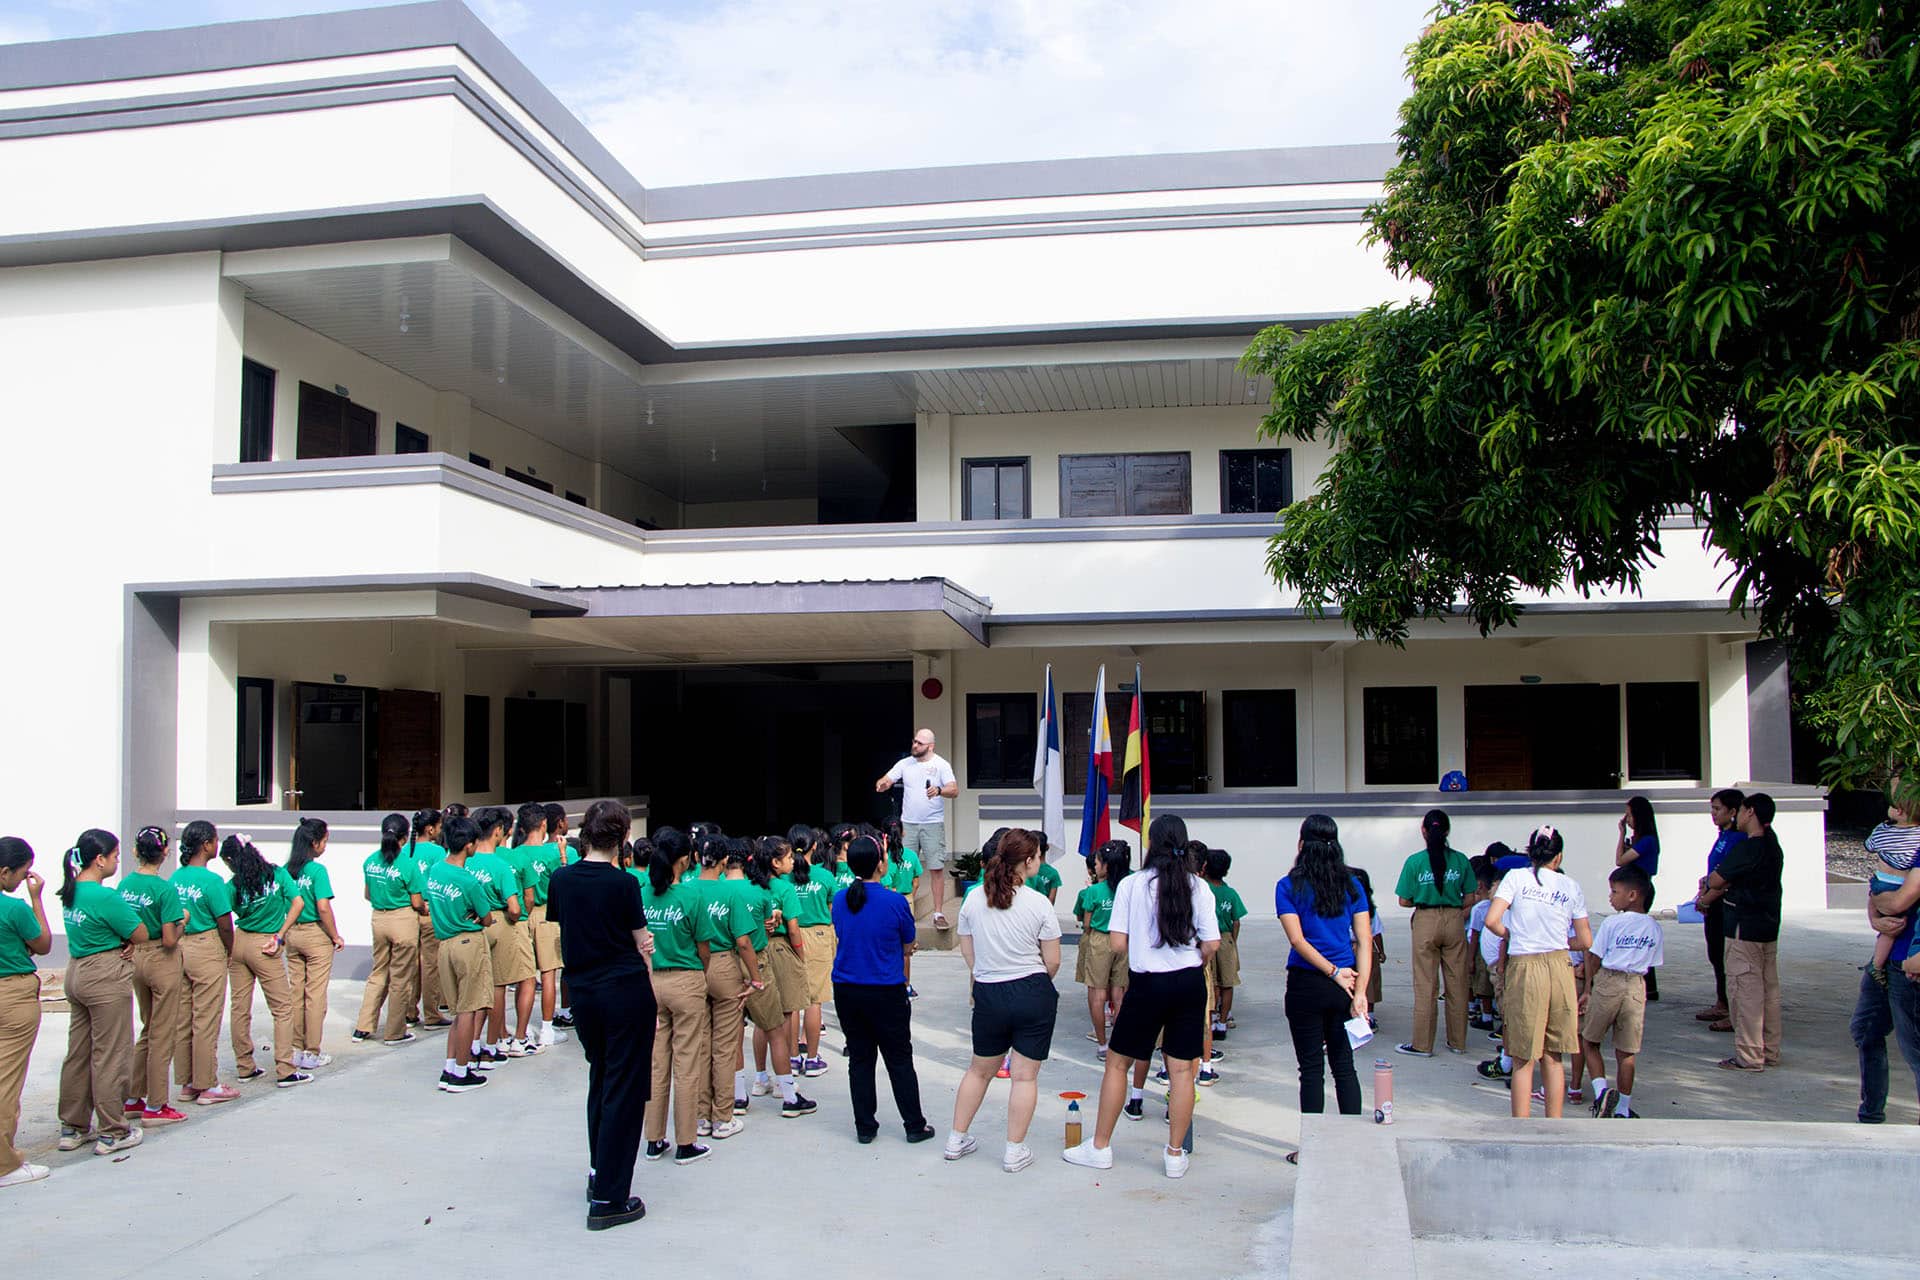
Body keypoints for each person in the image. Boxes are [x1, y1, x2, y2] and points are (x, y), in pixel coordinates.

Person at [1065, 814, 1219, 1180]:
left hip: (1147, 984)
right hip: (1188, 982)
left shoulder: (1133, 885)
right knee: (1182, 1070)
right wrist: (1192, 954)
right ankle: (1175, 1154)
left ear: (1151, 844)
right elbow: (1211, 943)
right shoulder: (1198, 887)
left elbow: (1117, 942)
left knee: (1118, 1063)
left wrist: (1146, 948)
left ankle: (1100, 1146)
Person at [548, 800, 657, 1231]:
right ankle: (611, 1196)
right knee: (625, 1091)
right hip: (625, 992)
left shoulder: (562, 879)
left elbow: (569, 927)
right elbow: (640, 939)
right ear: (622, 837)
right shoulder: (624, 884)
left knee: (601, 1077)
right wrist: (643, 949)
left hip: (585, 993)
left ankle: (599, 1173)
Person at [946, 829, 1062, 1172]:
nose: (1041, 861)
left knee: (979, 1070)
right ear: (1027, 861)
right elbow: (1052, 961)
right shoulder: (1038, 902)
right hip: (1031, 989)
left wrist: (986, 973)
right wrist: (1035, 983)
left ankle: (956, 1138)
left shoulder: (973, 898)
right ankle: (1014, 1150)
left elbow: (967, 948)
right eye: (1038, 855)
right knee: (1024, 1076)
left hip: (988, 990)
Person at [831, 834, 934, 1144]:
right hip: (886, 990)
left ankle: (865, 1126)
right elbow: (908, 941)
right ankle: (914, 1125)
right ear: (881, 864)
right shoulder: (894, 901)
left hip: (847, 988)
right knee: (899, 1059)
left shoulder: (840, 899)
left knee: (860, 1059)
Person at [1482, 826, 1592, 1118]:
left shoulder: (1516, 878)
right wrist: (1562, 941)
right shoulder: (1571, 885)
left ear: (1530, 853)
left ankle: (1521, 1127)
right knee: (1553, 1057)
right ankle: (1553, 1126)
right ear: (1558, 857)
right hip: (1559, 965)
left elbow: (1492, 920)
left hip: (1525, 964)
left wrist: (1513, 934)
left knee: (1523, 1057)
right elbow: (1586, 941)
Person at [1274, 815, 1372, 1138]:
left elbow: (1298, 940)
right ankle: (1353, 1141)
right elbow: (1364, 940)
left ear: (1302, 845)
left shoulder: (1288, 886)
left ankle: (1314, 1147)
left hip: (1308, 983)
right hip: (1347, 984)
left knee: (1312, 1070)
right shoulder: (1353, 884)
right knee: (1344, 1067)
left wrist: (1331, 973)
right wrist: (1360, 991)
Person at [57, 830, 149, 1155]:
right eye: (114, 856)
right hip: (104, 976)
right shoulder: (104, 896)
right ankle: (113, 1130)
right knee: (110, 1054)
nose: (116, 861)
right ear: (99, 860)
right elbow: (139, 932)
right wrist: (124, 941)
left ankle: (73, 1127)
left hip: (77, 972)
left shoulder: (71, 892)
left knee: (78, 1052)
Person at [637, 828, 710, 1165]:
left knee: (656, 1063)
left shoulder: (642, 894)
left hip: (651, 981)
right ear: (684, 860)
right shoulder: (692, 897)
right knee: (687, 1063)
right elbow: (703, 948)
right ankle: (685, 1141)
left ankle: (653, 1138)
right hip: (686, 980)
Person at [1696, 793, 1784, 1072]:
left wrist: (1711, 884)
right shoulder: (1773, 844)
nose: (1739, 816)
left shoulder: (1749, 847)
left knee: (1745, 992)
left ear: (1750, 812)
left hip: (1743, 928)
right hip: (1768, 926)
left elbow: (1717, 879)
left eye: (1743, 810)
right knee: (1769, 990)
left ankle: (1749, 1055)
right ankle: (1769, 1050)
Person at [221, 834, 309, 1089]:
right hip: (266, 945)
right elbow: (298, 902)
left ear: (230, 860)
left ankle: (245, 1067)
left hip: (240, 943)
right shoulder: (277, 875)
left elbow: (224, 915)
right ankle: (285, 1069)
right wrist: (280, 936)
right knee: (282, 1009)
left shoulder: (233, 886)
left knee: (240, 1008)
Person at [119, 825, 188, 1128]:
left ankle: (134, 1097)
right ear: (165, 853)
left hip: (135, 957)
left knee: (148, 1027)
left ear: (135, 851)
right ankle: (157, 1104)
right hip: (161, 958)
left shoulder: (124, 886)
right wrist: (183, 920)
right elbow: (171, 939)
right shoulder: (164, 889)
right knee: (163, 1033)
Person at [1581, 865, 1662, 1119]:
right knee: (1627, 1051)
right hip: (1636, 985)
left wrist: (1587, 989)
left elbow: (1594, 959)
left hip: (1609, 982)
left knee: (1590, 1040)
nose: (1610, 897)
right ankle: (1624, 1109)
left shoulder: (1612, 923)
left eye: (1614, 891)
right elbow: (1651, 963)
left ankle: (1601, 1093)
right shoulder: (1653, 927)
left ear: (1632, 895)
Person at [422, 815, 495, 1093]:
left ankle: (450, 1066)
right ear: (469, 845)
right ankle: (462, 1072)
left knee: (457, 1012)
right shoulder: (468, 880)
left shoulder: (436, 870)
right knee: (468, 1011)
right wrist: (477, 918)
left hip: (444, 945)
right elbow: (487, 918)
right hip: (468, 944)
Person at [1394, 808, 1475, 1057]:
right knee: (1457, 984)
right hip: (1454, 919)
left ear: (1424, 831)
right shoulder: (1461, 860)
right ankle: (1458, 1042)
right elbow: (1471, 897)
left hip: (1425, 919)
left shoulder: (1415, 861)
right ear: (1448, 831)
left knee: (1426, 984)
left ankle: (1422, 1044)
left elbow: (1404, 901)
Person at [744, 838, 815, 1118]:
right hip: (781, 949)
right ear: (775, 863)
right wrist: (800, 956)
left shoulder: (751, 888)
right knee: (784, 1017)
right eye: (787, 858)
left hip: (756, 950)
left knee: (763, 1019)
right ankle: (784, 1082)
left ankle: (761, 1076)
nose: (792, 862)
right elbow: (794, 929)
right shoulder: (785, 889)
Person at [691, 831, 755, 1140]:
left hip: (693, 967)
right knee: (725, 1046)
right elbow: (743, 941)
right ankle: (723, 1116)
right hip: (724, 965)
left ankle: (701, 1116)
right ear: (725, 860)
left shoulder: (687, 890)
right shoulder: (730, 894)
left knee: (700, 1045)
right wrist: (754, 977)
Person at [169, 820, 238, 1107]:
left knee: (183, 1017)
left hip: (180, 946)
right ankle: (207, 1084)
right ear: (207, 844)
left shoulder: (175, 877)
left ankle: (187, 1082)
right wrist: (229, 950)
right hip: (206, 946)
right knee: (206, 1018)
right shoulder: (212, 882)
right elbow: (224, 922)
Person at [0, 838, 52, 1187]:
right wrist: (36, 899)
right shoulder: (14, 907)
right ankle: (5, 1164)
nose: (22, 880)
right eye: (20, 874)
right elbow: (44, 944)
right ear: (5, 872)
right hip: (12, 994)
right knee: (6, 1083)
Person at [468, 807, 537, 1063]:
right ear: (498, 831)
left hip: (475, 925)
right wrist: (515, 917)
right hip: (505, 922)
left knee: (482, 987)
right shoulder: (503, 864)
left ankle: (479, 1043)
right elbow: (519, 905)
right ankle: (503, 1040)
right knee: (506, 984)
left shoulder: (466, 860)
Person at [352, 813, 426, 1046]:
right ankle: (395, 1031)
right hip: (403, 920)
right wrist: (426, 910)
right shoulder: (408, 864)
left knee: (378, 972)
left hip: (379, 920)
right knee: (401, 978)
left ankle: (363, 1026)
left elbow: (367, 894)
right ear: (405, 838)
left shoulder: (371, 861)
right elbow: (416, 902)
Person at [875, 729, 958, 927]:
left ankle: (938, 913)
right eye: (914, 741)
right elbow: (887, 778)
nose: (915, 745)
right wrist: (883, 784)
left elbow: (954, 790)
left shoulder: (941, 764)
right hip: (908, 824)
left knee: (936, 868)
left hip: (932, 824)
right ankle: (903, 909)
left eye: (919, 743)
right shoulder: (905, 763)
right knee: (902, 866)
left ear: (930, 746)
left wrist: (939, 790)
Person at [284, 817, 344, 1072]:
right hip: (315, 934)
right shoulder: (317, 871)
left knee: (296, 993)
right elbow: (323, 907)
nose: (325, 846)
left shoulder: (286, 870)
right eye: (325, 841)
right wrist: (335, 935)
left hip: (292, 935)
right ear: (314, 842)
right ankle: (312, 1051)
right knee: (315, 995)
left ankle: (295, 1048)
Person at [1074, 840, 1130, 1058]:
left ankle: (1102, 1043)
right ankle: (1119, 1041)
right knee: (1119, 993)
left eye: (1097, 863)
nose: (1094, 866)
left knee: (1097, 993)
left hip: (1099, 940)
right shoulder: (1128, 887)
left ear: (1106, 865)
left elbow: (1087, 923)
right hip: (1124, 940)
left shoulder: (1094, 891)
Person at [1695, 790, 1746, 1026]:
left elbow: (1728, 876)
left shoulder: (1737, 839)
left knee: (1725, 956)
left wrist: (1707, 898)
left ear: (1733, 812)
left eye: (1718, 809)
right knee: (1715, 955)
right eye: (1712, 808)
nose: (1713, 813)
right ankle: (1721, 1002)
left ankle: (1730, 1008)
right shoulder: (1723, 836)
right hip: (1711, 901)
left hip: (1723, 904)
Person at [790, 824, 836, 1077]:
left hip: (790, 936)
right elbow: (832, 910)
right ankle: (812, 1057)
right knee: (814, 999)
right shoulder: (826, 877)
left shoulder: (784, 878)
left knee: (792, 1001)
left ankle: (793, 1057)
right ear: (815, 846)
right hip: (818, 936)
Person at [530, 802, 571, 1047]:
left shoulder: (521, 852)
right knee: (551, 972)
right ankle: (549, 1025)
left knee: (527, 977)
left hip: (528, 915)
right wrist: (564, 855)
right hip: (550, 914)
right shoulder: (562, 852)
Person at [406, 808, 451, 1028]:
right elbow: (439, 884)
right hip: (429, 912)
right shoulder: (437, 853)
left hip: (407, 912)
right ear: (431, 828)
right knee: (430, 965)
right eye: (440, 826)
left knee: (411, 964)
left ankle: (409, 1011)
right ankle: (432, 1014)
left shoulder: (404, 850)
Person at [1614, 796, 1662, 1000]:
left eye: (1630, 814)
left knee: (1638, 935)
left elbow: (1620, 860)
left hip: (1640, 888)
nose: (1627, 819)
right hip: (1635, 887)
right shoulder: (1640, 839)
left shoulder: (1647, 841)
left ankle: (1647, 984)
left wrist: (1621, 833)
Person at [1205, 849, 1248, 1041]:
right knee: (1228, 983)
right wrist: (1232, 940)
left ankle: (1212, 1018)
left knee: (1212, 981)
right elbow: (1236, 920)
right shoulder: (1230, 893)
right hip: (1226, 938)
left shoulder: (1203, 889)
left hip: (1208, 939)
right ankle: (1223, 1022)